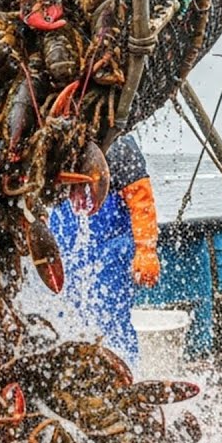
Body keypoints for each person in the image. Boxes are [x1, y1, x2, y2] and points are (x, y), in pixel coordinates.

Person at [48, 134, 161, 366]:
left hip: (112, 252)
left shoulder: (118, 143)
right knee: (62, 314)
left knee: (112, 317)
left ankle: (125, 372)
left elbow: (141, 197)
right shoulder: (52, 144)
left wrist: (146, 250)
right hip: (64, 250)